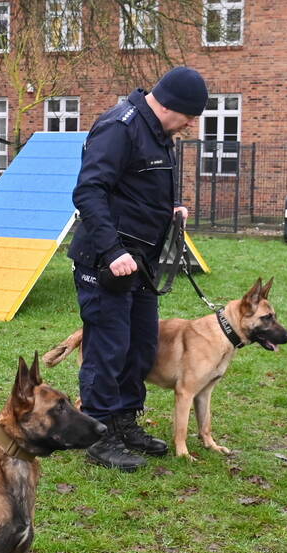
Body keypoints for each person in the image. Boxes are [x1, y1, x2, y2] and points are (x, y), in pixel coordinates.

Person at [68, 66, 209, 472]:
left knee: (141, 346)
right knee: (107, 349)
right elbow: (89, 191)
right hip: (108, 261)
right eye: (189, 116)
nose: (189, 125)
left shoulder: (160, 135)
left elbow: (141, 188)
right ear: (170, 106)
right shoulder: (119, 127)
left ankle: (126, 421)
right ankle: (99, 433)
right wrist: (112, 251)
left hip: (142, 263)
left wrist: (172, 208)